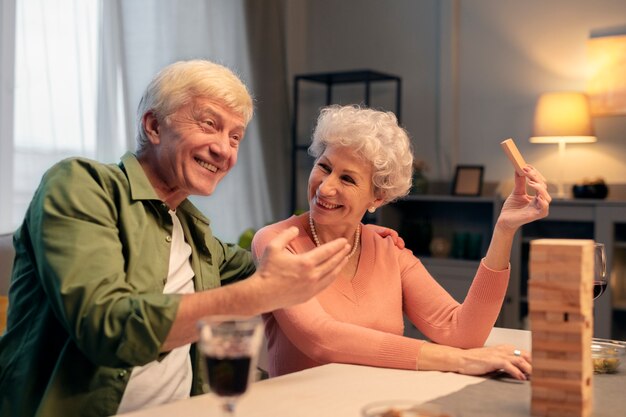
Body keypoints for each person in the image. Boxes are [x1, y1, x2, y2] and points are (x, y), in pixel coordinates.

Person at [0, 60, 356, 417]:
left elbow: (281, 266)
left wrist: (361, 233)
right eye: (209, 125)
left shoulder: (193, 232)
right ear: (154, 126)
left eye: (235, 137)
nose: (224, 149)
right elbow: (107, 327)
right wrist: (257, 294)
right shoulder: (81, 185)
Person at [252, 104, 552, 381]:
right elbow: (320, 338)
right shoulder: (277, 242)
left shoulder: (387, 250)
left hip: (380, 404)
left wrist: (504, 230)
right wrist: (460, 360)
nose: (326, 188)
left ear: (377, 198)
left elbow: (461, 332)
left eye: (348, 179)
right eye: (325, 167)